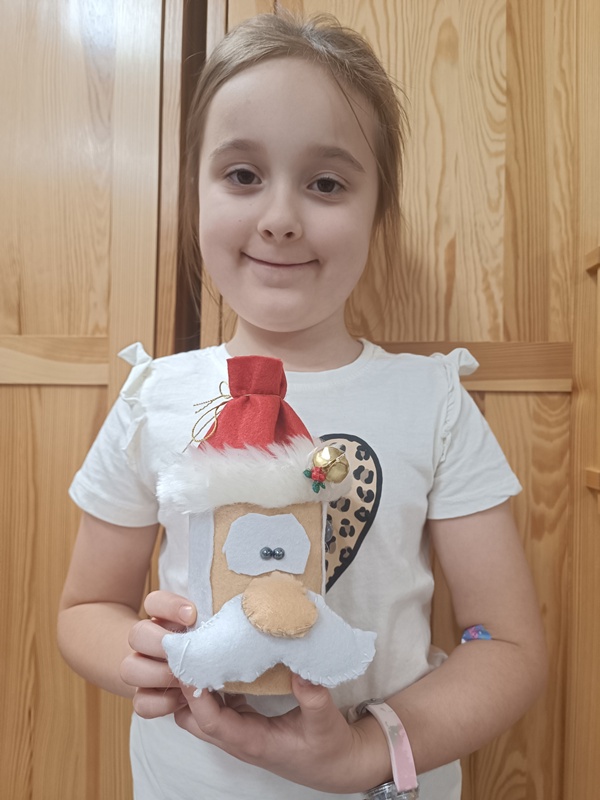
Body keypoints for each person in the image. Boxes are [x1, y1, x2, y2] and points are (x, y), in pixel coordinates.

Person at [57, 11, 547, 800]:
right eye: (242, 175)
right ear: (195, 196)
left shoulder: (433, 403)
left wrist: (365, 752)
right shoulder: (154, 397)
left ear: (377, 212)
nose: (281, 218)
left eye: (326, 184)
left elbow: (504, 643)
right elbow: (87, 605)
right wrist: (140, 654)